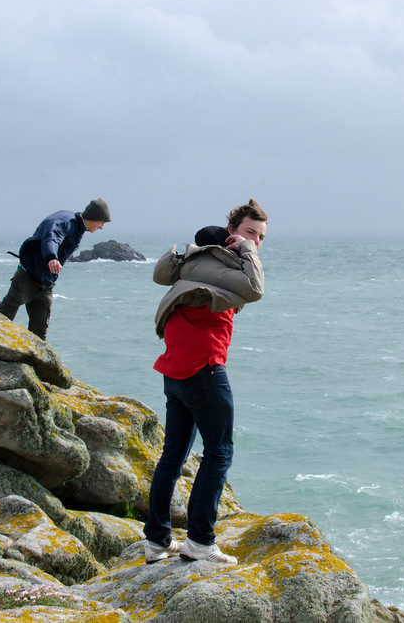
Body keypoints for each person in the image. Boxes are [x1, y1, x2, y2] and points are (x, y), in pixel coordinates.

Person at [143, 198, 268, 565]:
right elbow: (256, 288)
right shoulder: (219, 265)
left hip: (175, 372)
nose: (255, 242)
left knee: (172, 456)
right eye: (250, 233)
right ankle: (199, 540)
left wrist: (243, 248)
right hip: (204, 370)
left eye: (260, 237)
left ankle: (157, 540)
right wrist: (245, 251)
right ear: (231, 233)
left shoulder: (193, 263)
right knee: (219, 453)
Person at [0, 199, 111, 340]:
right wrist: (51, 257)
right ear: (94, 217)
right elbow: (52, 237)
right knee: (2, 318)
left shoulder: (79, 227)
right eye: (102, 222)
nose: (102, 227)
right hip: (27, 278)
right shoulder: (64, 222)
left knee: (39, 334)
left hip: (46, 283)